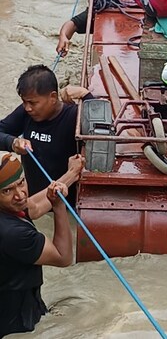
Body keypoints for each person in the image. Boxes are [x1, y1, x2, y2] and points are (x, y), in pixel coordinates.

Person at [0, 153, 77, 337]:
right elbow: (63, 257)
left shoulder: (11, 208)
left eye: (21, 182)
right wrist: (59, 207)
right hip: (14, 320)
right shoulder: (14, 234)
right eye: (7, 191)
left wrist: (71, 174)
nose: (20, 195)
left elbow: (33, 206)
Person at [0, 66, 91, 203]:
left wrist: (87, 96)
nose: (27, 108)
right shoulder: (26, 113)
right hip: (33, 200)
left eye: (33, 103)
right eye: (24, 102)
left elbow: (104, 135)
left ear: (53, 97)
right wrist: (12, 142)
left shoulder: (74, 116)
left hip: (66, 201)